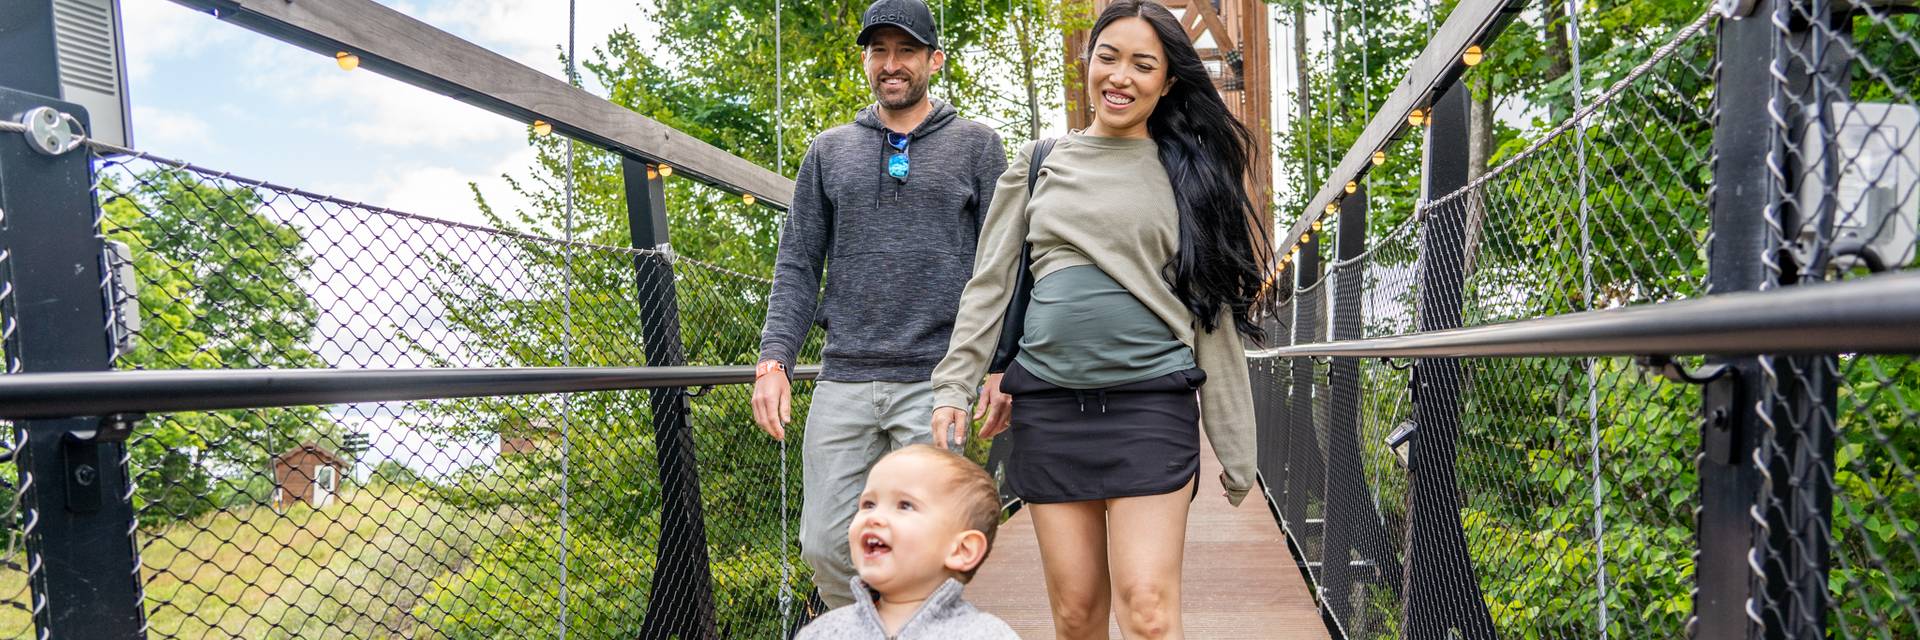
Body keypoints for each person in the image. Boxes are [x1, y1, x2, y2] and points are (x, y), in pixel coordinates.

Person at [927, 0, 1269, 636]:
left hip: (1150, 407)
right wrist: (955, 384)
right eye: (1107, 57)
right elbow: (990, 286)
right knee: (1076, 614)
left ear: (1167, 82)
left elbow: (1212, 316)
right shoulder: (1037, 164)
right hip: (1052, 408)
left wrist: (1236, 445)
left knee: (1147, 613)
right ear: (1088, 62)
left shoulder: (1190, 174)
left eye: (1143, 65)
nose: (1120, 76)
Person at [751, 0, 1009, 609]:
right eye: (879, 51)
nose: (891, 64)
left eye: (906, 51)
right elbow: (797, 263)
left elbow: (1003, 268)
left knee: (925, 546)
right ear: (866, 60)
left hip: (937, 380)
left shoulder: (977, 147)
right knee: (822, 544)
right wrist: (774, 360)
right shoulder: (829, 150)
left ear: (933, 61)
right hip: (844, 375)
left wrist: (1001, 366)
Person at [794, 445, 1020, 639]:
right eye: (868, 504)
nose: (875, 517)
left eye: (905, 505)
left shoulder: (985, 634)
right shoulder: (825, 632)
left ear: (962, 550)